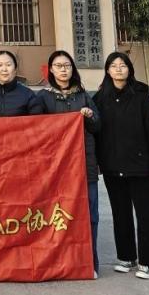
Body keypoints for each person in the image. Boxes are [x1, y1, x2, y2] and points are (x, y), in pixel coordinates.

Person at [94, 51, 149, 280]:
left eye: (123, 65)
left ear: (129, 69)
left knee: (145, 215)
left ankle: (147, 261)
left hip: (140, 167)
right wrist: (97, 162)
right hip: (112, 167)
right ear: (107, 70)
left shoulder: (141, 98)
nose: (118, 69)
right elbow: (95, 132)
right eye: (113, 66)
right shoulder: (100, 99)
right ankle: (126, 257)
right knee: (120, 214)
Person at [36, 49, 102, 277]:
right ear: (51, 70)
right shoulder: (42, 98)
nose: (63, 70)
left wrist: (89, 116)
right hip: (55, 168)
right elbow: (34, 128)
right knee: (56, 215)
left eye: (67, 66)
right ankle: (59, 262)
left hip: (84, 165)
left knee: (89, 215)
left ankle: (89, 263)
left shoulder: (83, 96)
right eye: (58, 66)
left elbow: (98, 126)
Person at [0, 50, 45, 117]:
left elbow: (36, 122)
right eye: (0, 65)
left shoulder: (27, 94)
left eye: (8, 65)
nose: (4, 69)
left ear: (15, 69)